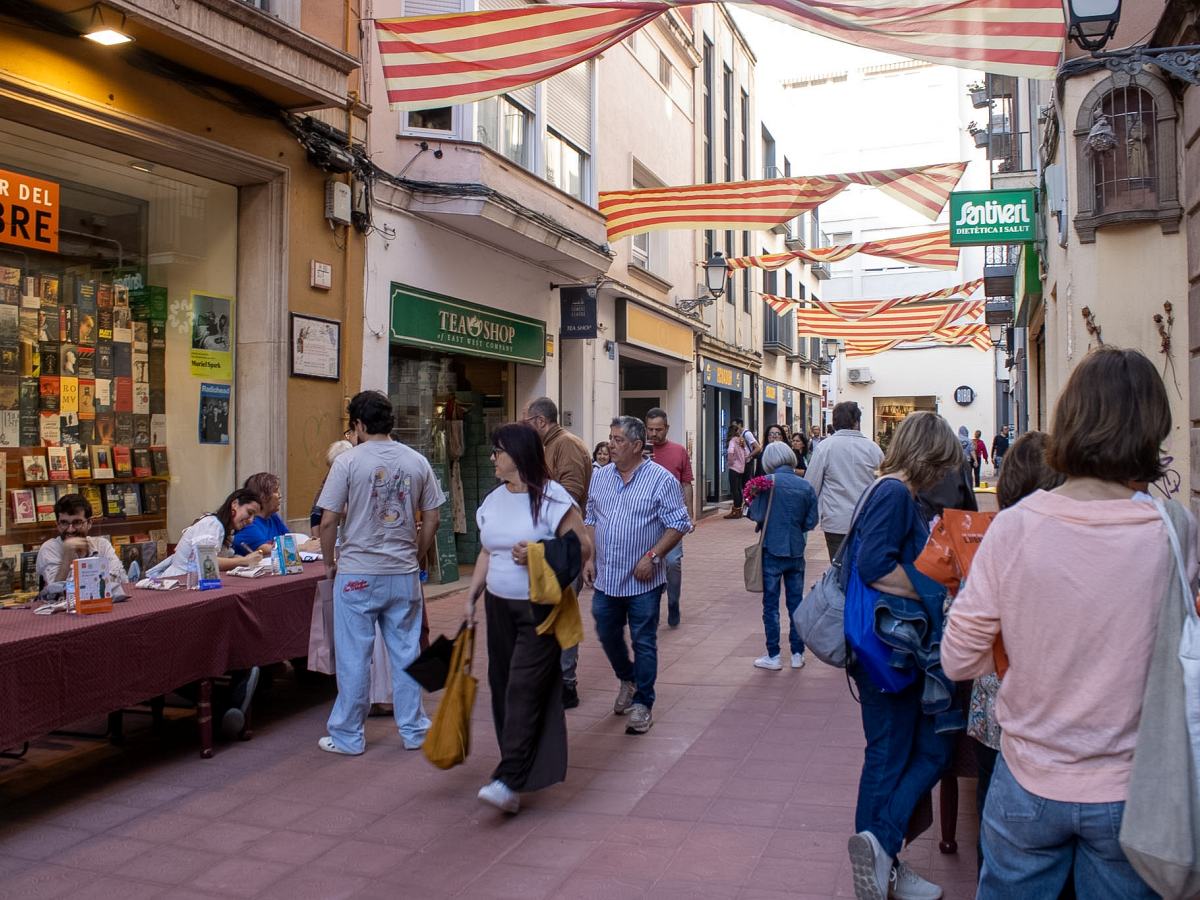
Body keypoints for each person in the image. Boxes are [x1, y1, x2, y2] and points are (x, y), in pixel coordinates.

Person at [942, 347, 1196, 899]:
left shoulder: (1014, 528)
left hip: (1028, 776)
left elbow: (958, 657)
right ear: (1153, 427)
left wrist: (1027, 650)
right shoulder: (1175, 529)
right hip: (1133, 789)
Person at [846, 411, 964, 900]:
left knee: (926, 750)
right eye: (944, 464)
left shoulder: (899, 493)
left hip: (898, 649)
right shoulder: (895, 493)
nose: (947, 475)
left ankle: (881, 852)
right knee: (891, 755)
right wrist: (933, 592)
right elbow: (874, 566)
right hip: (887, 651)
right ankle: (880, 863)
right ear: (929, 454)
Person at [962, 431, 1068, 891]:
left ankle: (990, 865)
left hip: (1005, 705)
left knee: (993, 794)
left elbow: (960, 646)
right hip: (1076, 723)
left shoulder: (998, 536)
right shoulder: (1084, 536)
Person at [467, 423, 591, 814]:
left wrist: (538, 551)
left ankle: (507, 777)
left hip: (540, 609)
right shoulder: (493, 500)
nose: (492, 458)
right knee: (503, 685)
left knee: (523, 686)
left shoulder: (552, 497)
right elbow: (488, 552)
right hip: (498, 607)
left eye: (498, 451)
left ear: (518, 455)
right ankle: (518, 771)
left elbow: (582, 546)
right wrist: (472, 597)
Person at [316, 390, 445, 756]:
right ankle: (414, 730)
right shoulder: (416, 461)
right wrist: (417, 554)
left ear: (357, 424)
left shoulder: (348, 463)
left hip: (357, 572)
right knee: (406, 652)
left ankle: (348, 736)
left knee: (355, 656)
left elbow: (328, 520)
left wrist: (329, 563)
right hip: (402, 572)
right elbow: (432, 516)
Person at [585, 416, 691, 736]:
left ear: (635, 446)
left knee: (644, 640)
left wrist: (653, 556)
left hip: (644, 580)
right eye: (610, 439)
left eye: (618, 440)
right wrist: (589, 557)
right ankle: (627, 678)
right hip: (607, 576)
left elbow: (679, 523)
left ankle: (644, 703)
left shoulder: (661, 480)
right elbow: (590, 517)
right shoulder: (600, 477)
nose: (611, 446)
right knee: (606, 629)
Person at [523, 397, 592, 710]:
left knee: (562, 612)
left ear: (540, 422)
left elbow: (573, 491)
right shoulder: (551, 445)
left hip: (563, 545)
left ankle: (566, 683)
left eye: (527, 422)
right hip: (549, 544)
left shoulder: (565, 445)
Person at [746, 442, 817, 670]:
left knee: (771, 605)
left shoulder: (766, 484)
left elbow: (755, 513)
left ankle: (774, 655)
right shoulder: (805, 486)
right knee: (796, 602)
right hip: (796, 550)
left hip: (771, 550)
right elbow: (811, 521)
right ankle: (797, 653)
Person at [805, 401, 884, 560]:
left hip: (836, 521)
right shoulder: (873, 448)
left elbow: (811, 486)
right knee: (864, 569)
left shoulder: (825, 447)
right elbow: (883, 485)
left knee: (838, 570)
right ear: (857, 421)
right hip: (868, 520)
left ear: (834, 422)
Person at [645, 408, 694, 628]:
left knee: (673, 562)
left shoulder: (678, 451)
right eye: (650, 429)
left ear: (667, 428)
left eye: (658, 429)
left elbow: (686, 483)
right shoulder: (639, 451)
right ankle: (651, 606)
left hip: (672, 519)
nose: (654, 434)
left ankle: (673, 602)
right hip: (646, 520)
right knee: (650, 563)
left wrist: (690, 514)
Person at [152, 488, 264, 577]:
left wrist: (237, 558)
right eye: (249, 513)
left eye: (254, 517)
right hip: (181, 582)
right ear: (234, 504)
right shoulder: (212, 525)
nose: (251, 520)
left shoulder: (222, 527)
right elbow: (206, 561)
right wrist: (243, 560)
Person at [36, 493, 129, 588]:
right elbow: (55, 592)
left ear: (89, 523)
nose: (70, 529)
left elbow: (122, 580)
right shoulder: (49, 549)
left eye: (77, 522)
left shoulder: (102, 545)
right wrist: (67, 556)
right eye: (64, 523)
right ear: (57, 524)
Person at [232, 472, 290, 555]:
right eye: (276, 491)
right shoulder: (248, 522)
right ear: (263, 496)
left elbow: (288, 538)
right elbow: (266, 550)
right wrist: (304, 547)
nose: (280, 495)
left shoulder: (273, 517)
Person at [311, 440, 354, 534]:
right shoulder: (329, 478)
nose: (333, 471)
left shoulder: (357, 479)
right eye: (331, 467)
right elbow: (316, 509)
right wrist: (316, 538)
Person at [725, 422, 749, 518]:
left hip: (734, 468)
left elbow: (730, 452)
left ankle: (736, 510)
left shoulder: (732, 441)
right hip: (741, 468)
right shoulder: (741, 441)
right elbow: (747, 454)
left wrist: (730, 462)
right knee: (739, 489)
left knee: (734, 490)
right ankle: (739, 510)